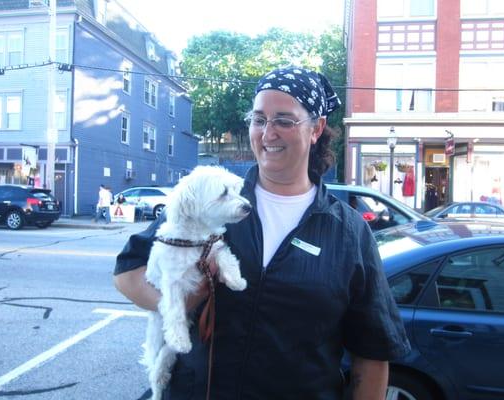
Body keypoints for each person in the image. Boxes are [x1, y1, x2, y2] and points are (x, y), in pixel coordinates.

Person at [113, 66, 410, 399]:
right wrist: (177, 308)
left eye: (284, 120)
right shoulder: (209, 198)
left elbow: (371, 355)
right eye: (258, 119)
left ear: (316, 129)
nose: (268, 133)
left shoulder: (348, 232)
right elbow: (127, 273)